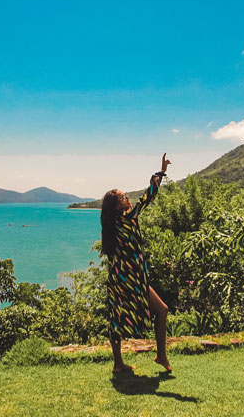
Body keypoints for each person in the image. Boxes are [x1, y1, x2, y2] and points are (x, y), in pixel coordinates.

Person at [101, 153, 172, 373]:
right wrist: (160, 172)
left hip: (118, 278)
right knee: (162, 310)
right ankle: (160, 356)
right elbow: (148, 197)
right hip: (132, 278)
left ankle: (118, 364)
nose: (127, 198)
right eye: (123, 197)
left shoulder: (111, 223)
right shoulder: (128, 217)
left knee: (116, 317)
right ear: (117, 205)